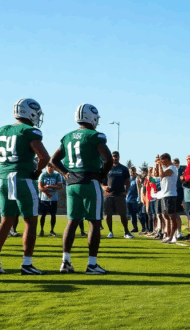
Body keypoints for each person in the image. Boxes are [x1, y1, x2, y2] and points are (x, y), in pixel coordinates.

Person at [0, 98, 49, 276]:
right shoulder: (29, 131)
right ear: (29, 113)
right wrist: (37, 172)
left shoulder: (2, 130)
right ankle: (27, 264)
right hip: (22, 178)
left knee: (6, 221)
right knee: (30, 221)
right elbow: (44, 157)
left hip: (3, 178)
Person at [51, 103, 112, 275]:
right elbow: (108, 159)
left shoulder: (68, 136)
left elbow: (53, 160)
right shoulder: (95, 135)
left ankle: (65, 262)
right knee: (94, 222)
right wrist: (101, 175)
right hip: (89, 182)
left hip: (72, 184)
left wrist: (65, 174)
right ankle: (92, 264)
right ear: (92, 117)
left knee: (72, 222)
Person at [103, 151, 133, 239]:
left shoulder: (124, 168)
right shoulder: (106, 168)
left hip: (120, 194)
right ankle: (110, 232)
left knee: (123, 214)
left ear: (119, 157)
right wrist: (104, 187)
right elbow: (102, 183)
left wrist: (126, 192)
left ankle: (126, 231)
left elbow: (128, 182)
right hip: (108, 195)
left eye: (116, 156)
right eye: (113, 156)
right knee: (108, 214)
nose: (114, 158)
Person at [155, 153, 179, 243]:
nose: (162, 162)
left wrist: (160, 165)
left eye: (163, 160)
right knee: (166, 217)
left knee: (171, 216)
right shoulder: (165, 167)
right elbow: (156, 174)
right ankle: (168, 234)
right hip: (164, 195)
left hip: (171, 194)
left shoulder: (172, 168)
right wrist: (156, 165)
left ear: (168, 159)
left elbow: (162, 175)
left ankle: (172, 236)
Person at [38, 163, 63, 237]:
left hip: (54, 198)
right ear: (46, 167)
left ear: (54, 167)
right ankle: (41, 230)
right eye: (49, 166)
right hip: (44, 198)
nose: (50, 168)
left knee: (53, 215)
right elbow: (40, 187)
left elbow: (60, 186)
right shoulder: (43, 174)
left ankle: (52, 230)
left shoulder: (57, 175)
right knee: (43, 215)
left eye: (52, 167)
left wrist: (49, 186)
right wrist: (47, 193)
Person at [126, 167, 140, 233]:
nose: (132, 172)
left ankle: (138, 227)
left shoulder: (137, 178)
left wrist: (137, 175)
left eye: (133, 171)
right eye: (131, 171)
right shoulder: (129, 179)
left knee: (135, 214)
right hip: (128, 199)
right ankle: (134, 227)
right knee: (130, 214)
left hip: (135, 199)